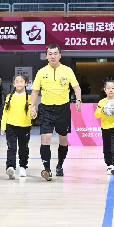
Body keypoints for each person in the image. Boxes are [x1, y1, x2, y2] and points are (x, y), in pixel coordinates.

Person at [30, 44, 81, 181]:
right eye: (50, 54)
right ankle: (47, 169)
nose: (53, 56)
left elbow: (76, 87)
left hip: (62, 109)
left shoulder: (67, 70)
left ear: (60, 55)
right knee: (45, 138)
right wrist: (31, 106)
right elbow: (35, 91)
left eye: (55, 53)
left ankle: (60, 165)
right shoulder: (41, 72)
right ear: (46, 56)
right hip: (46, 109)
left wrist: (78, 100)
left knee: (63, 140)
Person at [1, 75, 34, 179]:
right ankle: (10, 167)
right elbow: (5, 112)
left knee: (23, 148)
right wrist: (3, 126)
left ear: (26, 83)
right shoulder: (9, 97)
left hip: (25, 126)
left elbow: (32, 112)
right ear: (14, 84)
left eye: (21, 81)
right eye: (17, 81)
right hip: (11, 126)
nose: (19, 83)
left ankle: (23, 167)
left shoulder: (29, 98)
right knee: (11, 147)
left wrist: (34, 114)